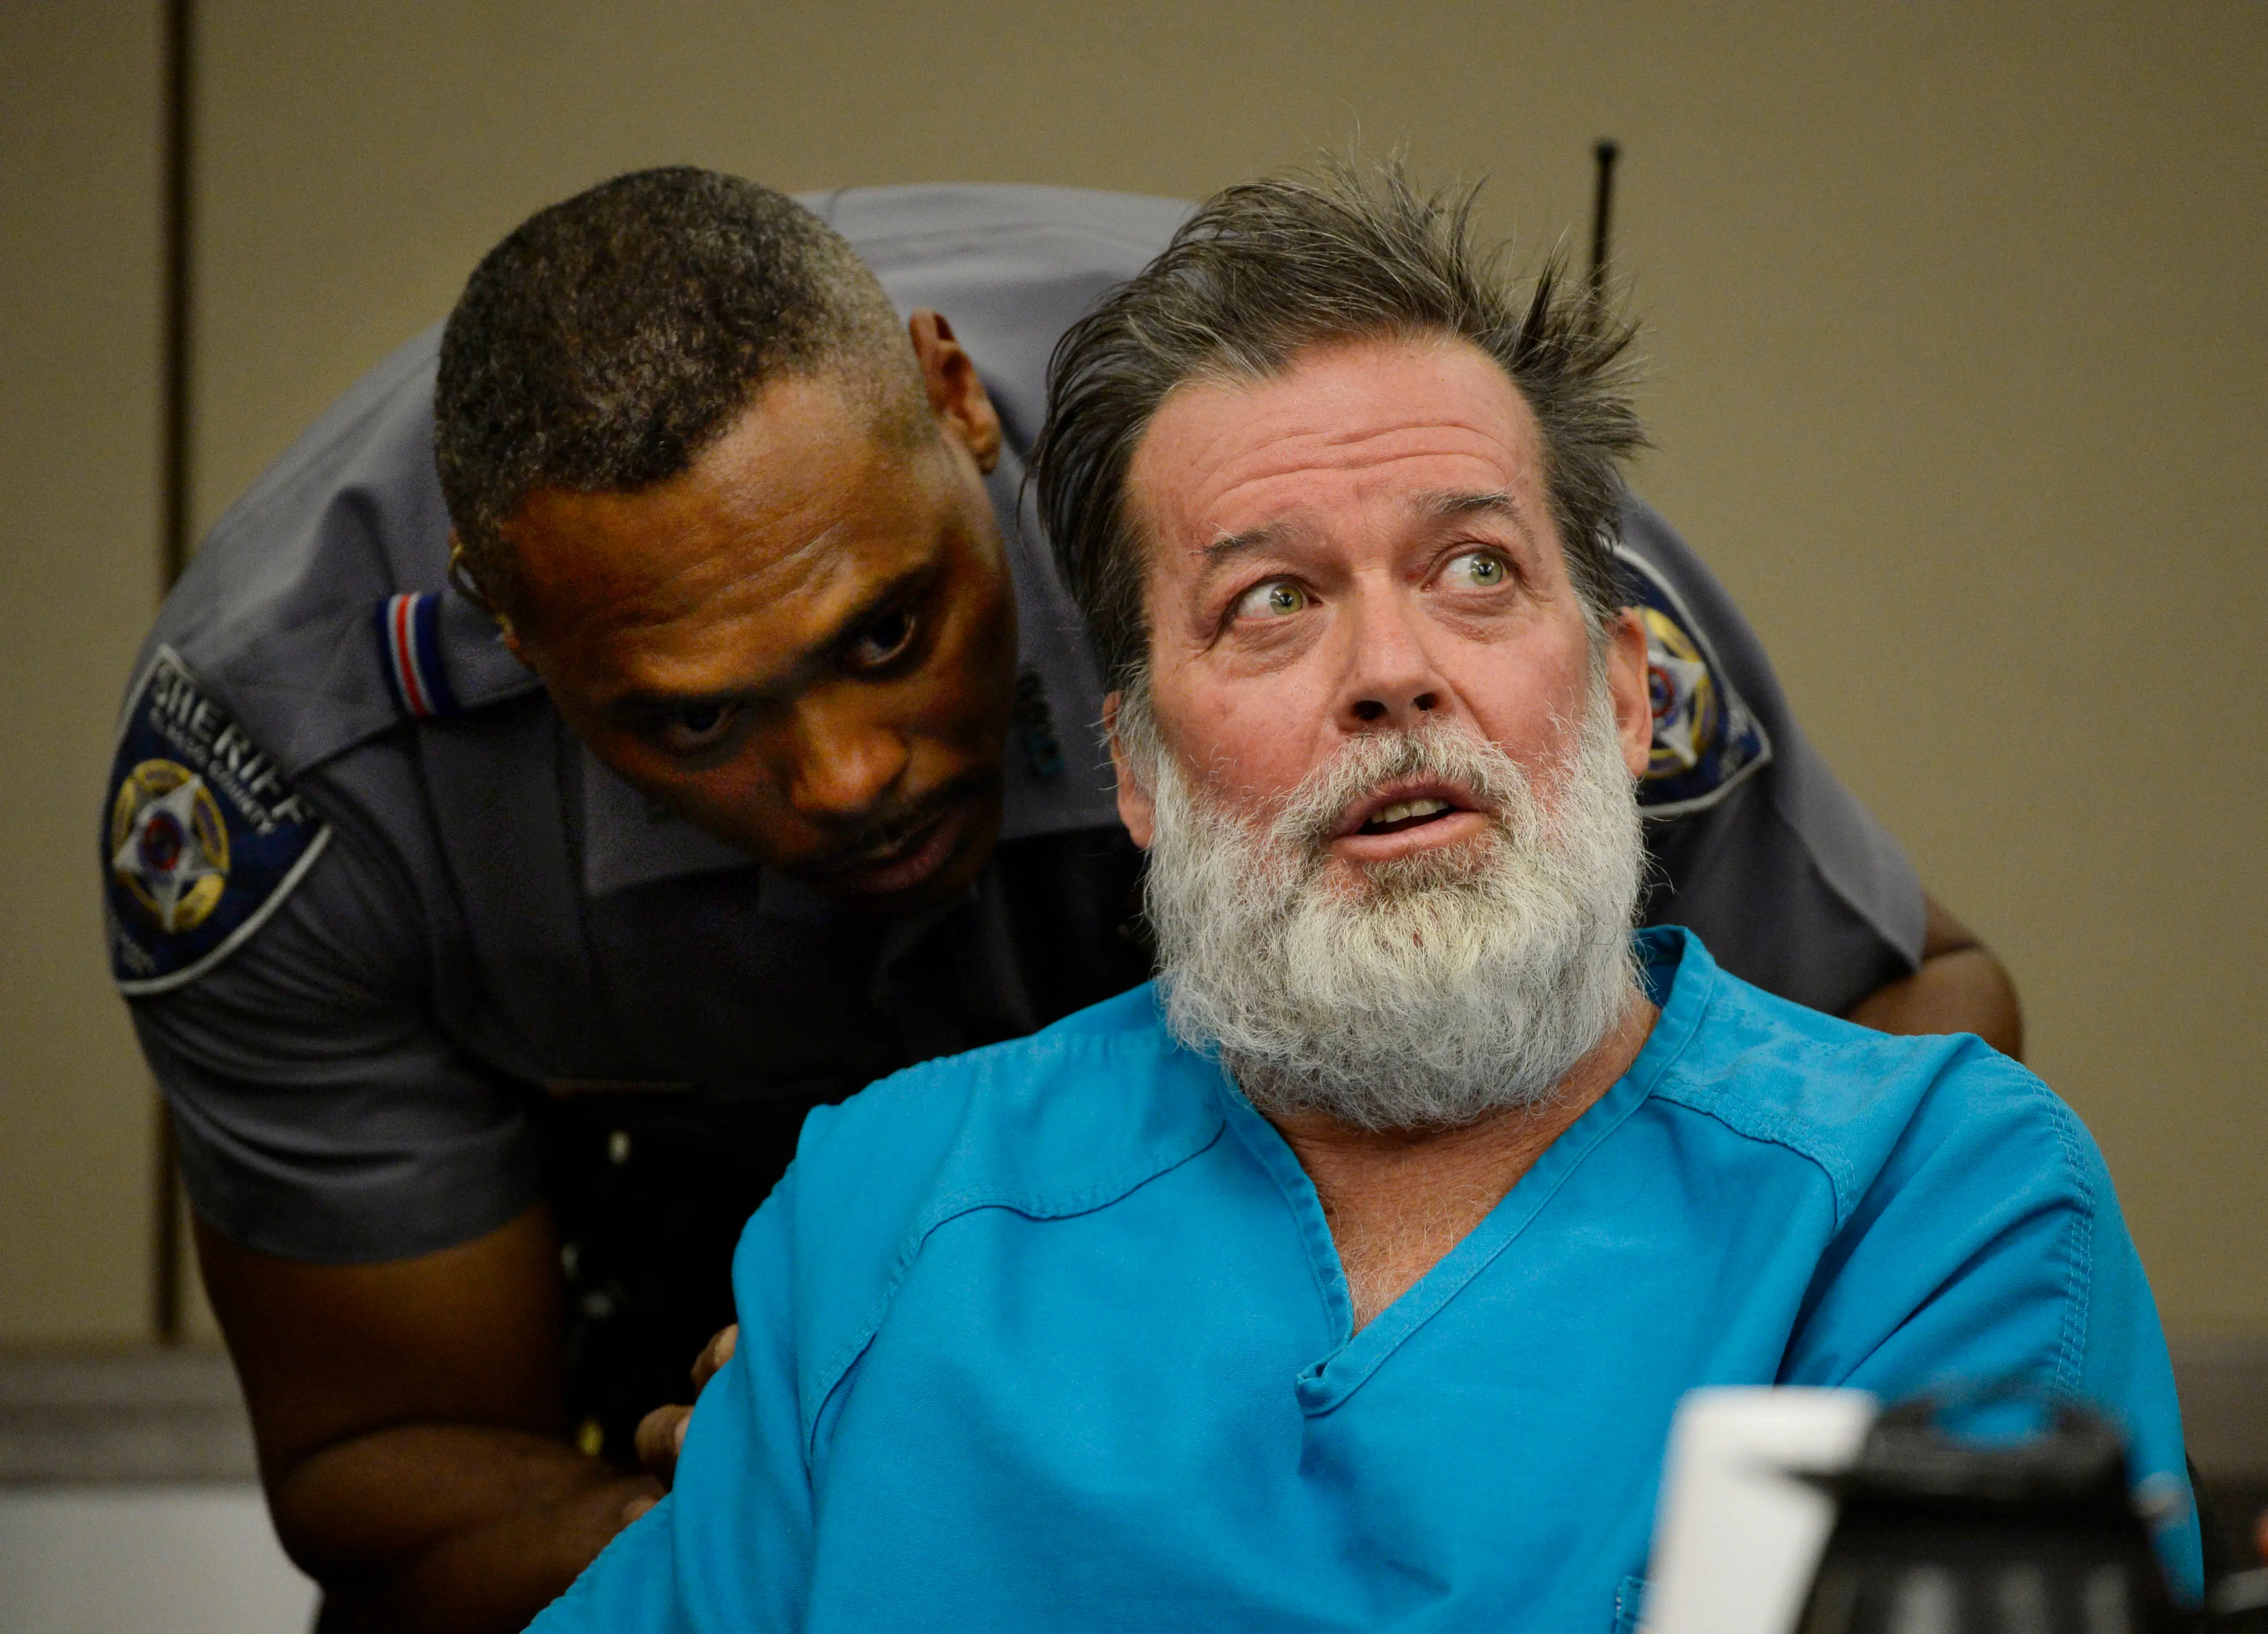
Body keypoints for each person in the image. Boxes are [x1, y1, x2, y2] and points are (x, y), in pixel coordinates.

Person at [105, 170, 2015, 1631]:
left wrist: (1552, 1470)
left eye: (890, 629)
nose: (850, 776)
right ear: (512, 634)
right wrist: (828, 1503)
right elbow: (374, 1456)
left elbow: (1892, 1057)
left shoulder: (1333, 508)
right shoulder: (303, 772)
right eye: (692, 718)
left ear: (957, 408)